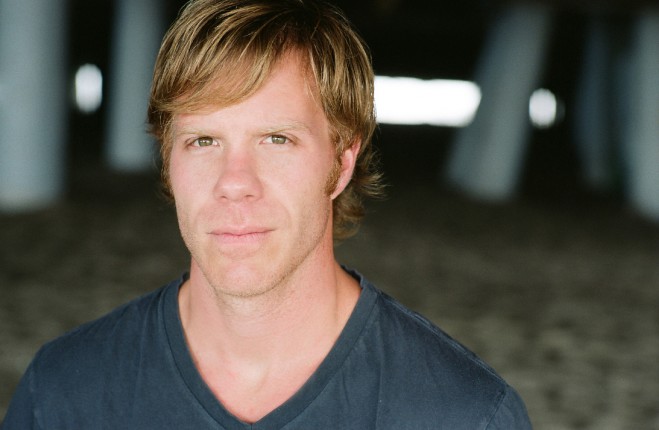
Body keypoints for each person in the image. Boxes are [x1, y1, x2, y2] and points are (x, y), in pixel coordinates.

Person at [2, 0, 532, 428]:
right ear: (168, 161)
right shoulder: (62, 392)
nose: (235, 183)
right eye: (203, 140)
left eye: (276, 139)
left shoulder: (464, 415)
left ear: (342, 162)